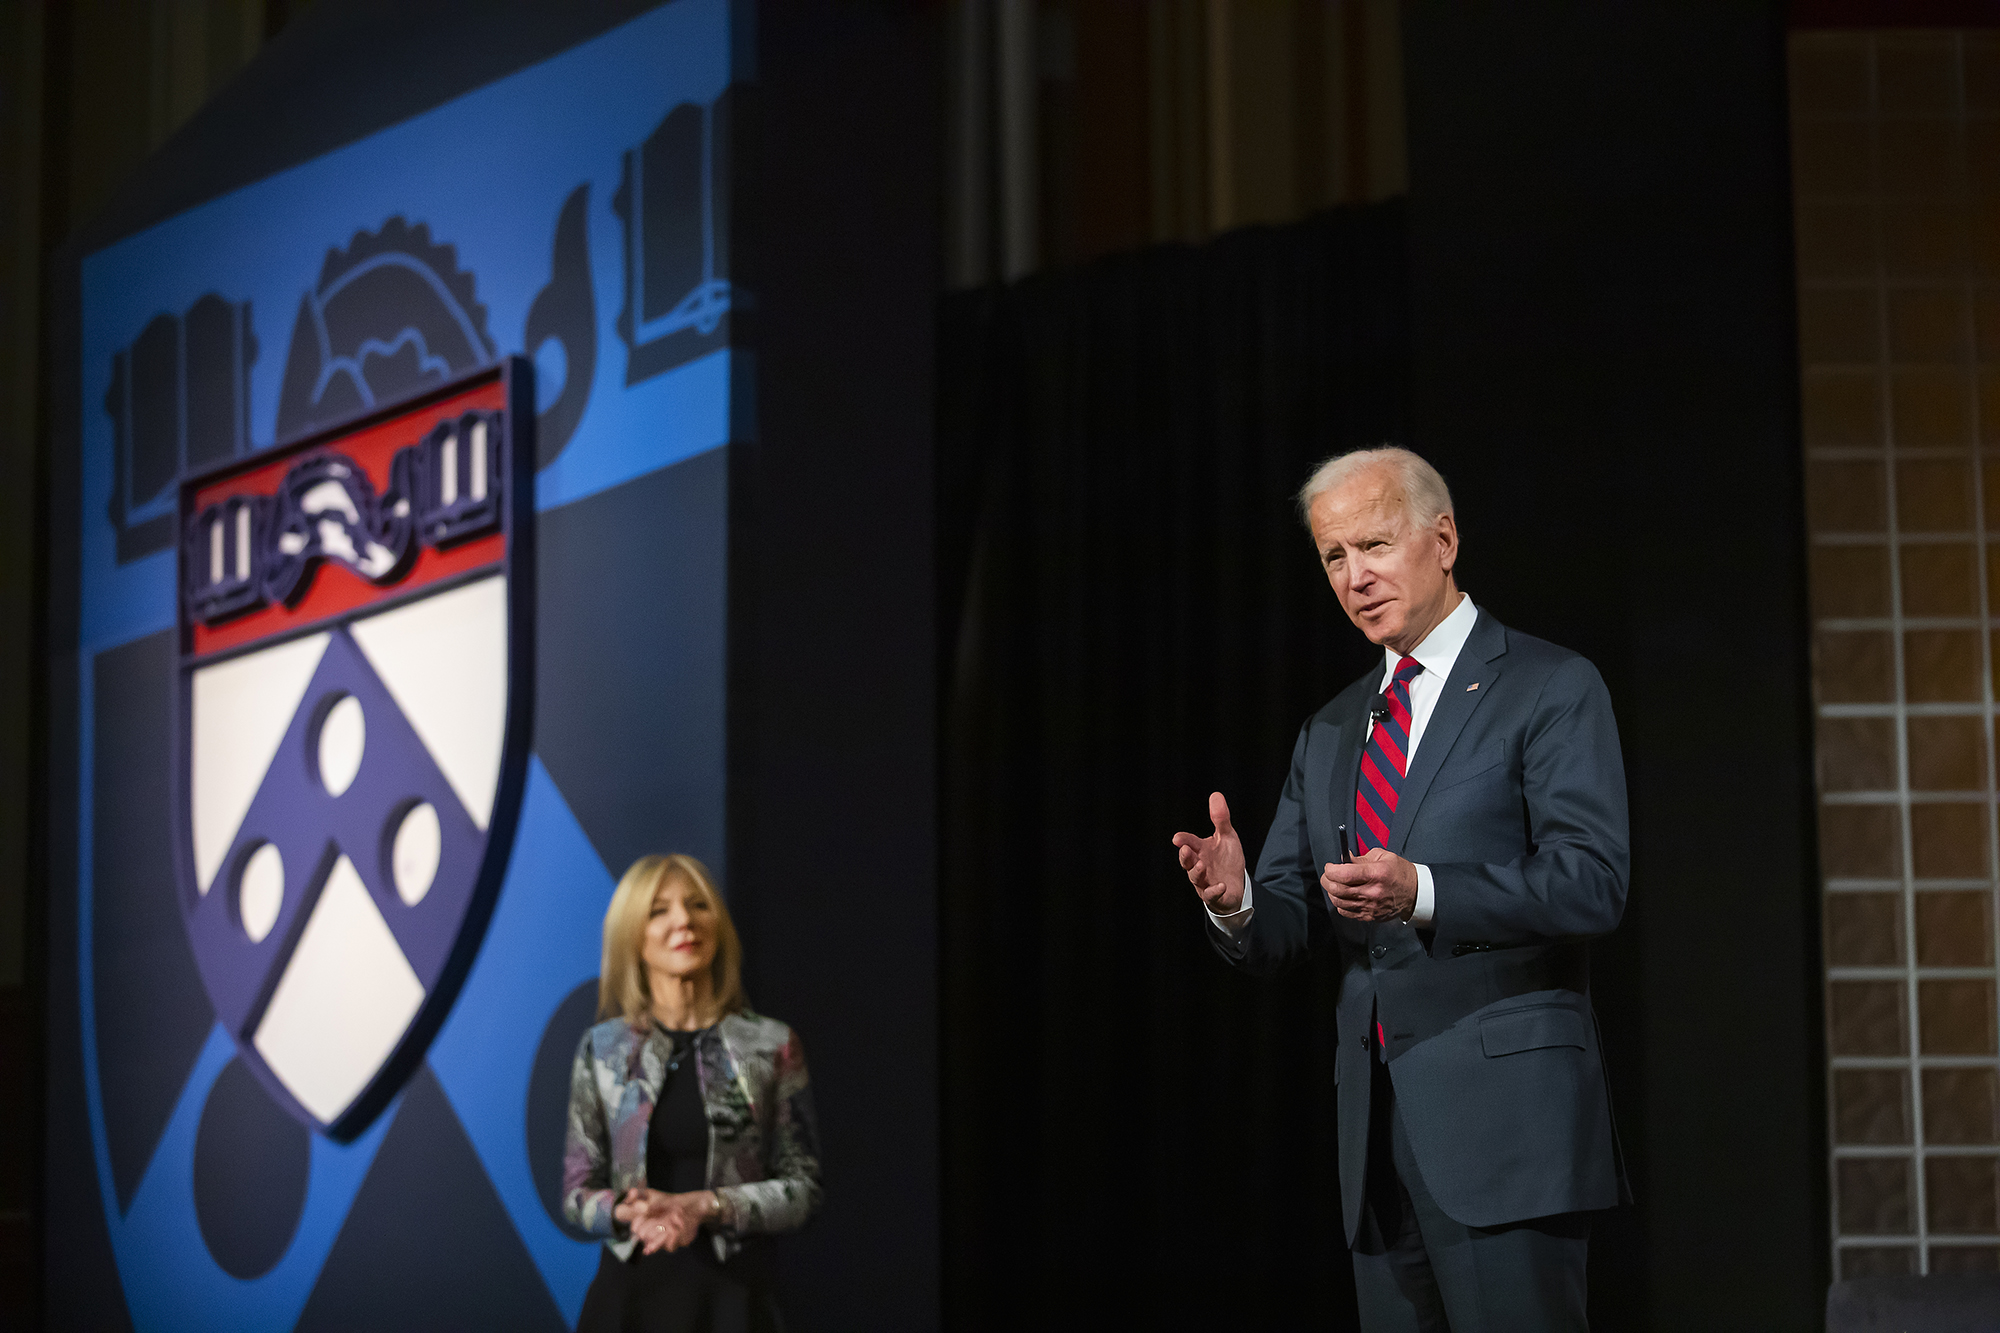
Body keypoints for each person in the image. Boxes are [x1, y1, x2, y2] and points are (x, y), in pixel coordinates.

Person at [1171, 447, 1629, 1331]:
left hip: (1510, 1136)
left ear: (1444, 538)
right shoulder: (1332, 728)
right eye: (1334, 556)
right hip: (1377, 1147)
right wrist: (1235, 902)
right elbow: (1287, 925)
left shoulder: (1549, 687)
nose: (1355, 576)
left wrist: (1423, 889)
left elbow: (1592, 882)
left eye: (1374, 544)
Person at [564, 853, 822, 1333]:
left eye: (698, 905)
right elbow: (577, 1192)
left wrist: (705, 1206)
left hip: (734, 1301)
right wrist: (625, 1211)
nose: (683, 920)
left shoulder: (770, 1046)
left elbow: (803, 1189)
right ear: (633, 937)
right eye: (659, 910)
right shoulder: (603, 1049)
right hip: (630, 1303)